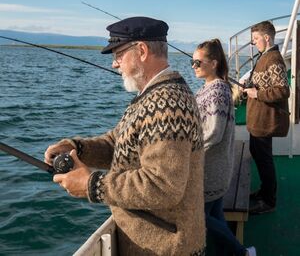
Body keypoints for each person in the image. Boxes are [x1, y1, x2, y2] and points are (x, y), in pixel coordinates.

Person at [44, 17, 206, 256]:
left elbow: (163, 187)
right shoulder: (154, 96)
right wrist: (76, 149)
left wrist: (92, 184)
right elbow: (117, 142)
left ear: (141, 50)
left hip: (165, 249)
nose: (114, 64)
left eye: (118, 55)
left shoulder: (166, 104)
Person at [192, 39, 256, 256]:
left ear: (214, 63)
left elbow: (213, 133)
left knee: (197, 216)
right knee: (216, 215)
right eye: (193, 62)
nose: (194, 66)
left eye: (198, 62)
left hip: (211, 168)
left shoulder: (217, 91)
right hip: (216, 166)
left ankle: (242, 253)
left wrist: (187, 149)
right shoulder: (211, 87)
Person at [243, 20, 290, 214]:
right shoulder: (265, 56)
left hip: (265, 122)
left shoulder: (274, 59)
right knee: (260, 156)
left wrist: (257, 94)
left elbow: (283, 90)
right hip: (258, 120)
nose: (254, 43)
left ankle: (268, 201)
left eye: (255, 39)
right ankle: (264, 192)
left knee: (264, 160)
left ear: (266, 38)